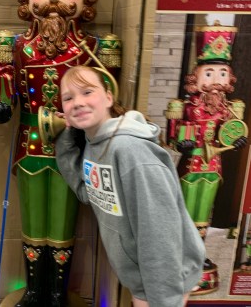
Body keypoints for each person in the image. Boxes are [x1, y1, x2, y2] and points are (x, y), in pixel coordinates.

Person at [0, 0, 120, 305]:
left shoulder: (95, 49)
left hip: (71, 148)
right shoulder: (15, 46)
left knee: (62, 223)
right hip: (29, 146)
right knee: (33, 221)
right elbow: (6, 98)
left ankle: (56, 292)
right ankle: (33, 289)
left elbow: (107, 102)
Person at [55, 65, 206, 307]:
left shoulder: (130, 151)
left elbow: (159, 232)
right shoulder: (94, 143)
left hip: (163, 280)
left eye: (87, 92)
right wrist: (66, 142)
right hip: (142, 279)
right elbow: (89, 193)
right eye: (68, 97)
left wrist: (163, 300)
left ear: (108, 97)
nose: (77, 102)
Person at [166, 21, 247, 294]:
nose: (215, 81)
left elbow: (232, 132)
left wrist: (237, 139)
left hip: (214, 167)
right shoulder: (187, 107)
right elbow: (173, 136)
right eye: (209, 73)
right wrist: (183, 141)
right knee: (187, 212)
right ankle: (181, 256)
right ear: (197, 77)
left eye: (221, 73)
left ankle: (197, 255)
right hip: (192, 166)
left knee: (205, 213)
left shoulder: (228, 109)